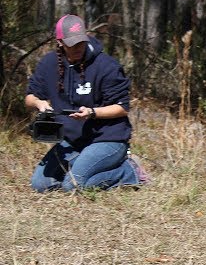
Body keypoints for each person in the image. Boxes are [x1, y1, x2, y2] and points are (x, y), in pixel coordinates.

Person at [25, 14, 148, 192]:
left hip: (108, 139)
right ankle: (83, 164)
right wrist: (39, 103)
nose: (77, 47)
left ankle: (129, 172)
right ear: (60, 41)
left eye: (81, 41)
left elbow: (122, 108)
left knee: (72, 185)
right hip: (72, 141)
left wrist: (92, 112)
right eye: (72, 43)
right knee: (41, 185)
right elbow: (29, 97)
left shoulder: (106, 65)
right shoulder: (49, 63)